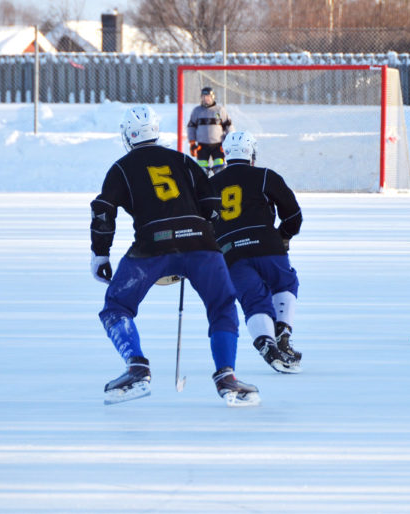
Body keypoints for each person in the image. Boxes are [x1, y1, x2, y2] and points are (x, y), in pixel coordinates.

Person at [90, 105, 259, 407]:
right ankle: (227, 376)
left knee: (116, 306)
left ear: (127, 136)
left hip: (151, 248)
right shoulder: (183, 160)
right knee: (222, 305)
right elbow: (212, 205)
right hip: (201, 245)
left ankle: (136, 368)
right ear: (156, 131)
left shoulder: (120, 168)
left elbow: (103, 211)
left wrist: (100, 255)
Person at [209, 131, 304, 373]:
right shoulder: (264, 176)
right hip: (267, 243)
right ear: (251, 153)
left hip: (229, 252)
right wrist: (283, 235)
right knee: (284, 283)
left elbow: (200, 223)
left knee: (253, 301)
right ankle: (282, 332)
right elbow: (293, 214)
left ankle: (266, 344)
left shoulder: (209, 184)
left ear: (225, 154)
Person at [187, 87, 234, 176]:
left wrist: (229, 143)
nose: (206, 99)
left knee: (220, 169)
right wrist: (192, 143)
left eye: (208, 96)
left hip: (218, 146)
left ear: (213, 97)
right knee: (201, 171)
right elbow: (191, 127)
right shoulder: (197, 111)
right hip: (202, 146)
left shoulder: (220, 110)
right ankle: (203, 189)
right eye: (204, 97)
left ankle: (219, 188)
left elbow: (228, 126)